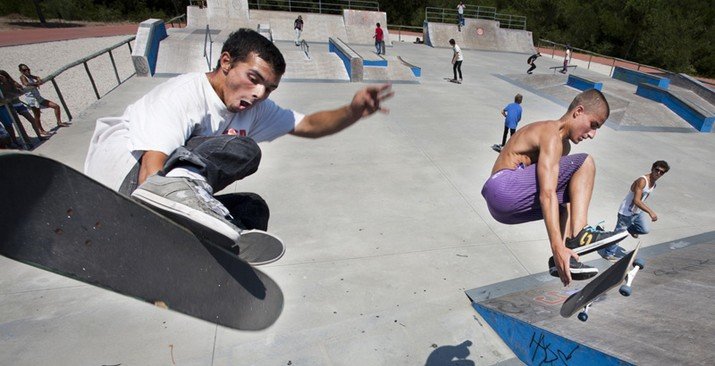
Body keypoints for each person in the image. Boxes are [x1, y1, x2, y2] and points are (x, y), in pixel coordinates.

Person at [84, 29, 393, 254]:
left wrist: (352, 111)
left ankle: (204, 258)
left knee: (253, 211)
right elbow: (149, 177)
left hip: (161, 194)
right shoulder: (183, 95)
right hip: (122, 189)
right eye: (254, 79)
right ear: (227, 62)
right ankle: (168, 233)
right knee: (242, 148)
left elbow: (308, 124)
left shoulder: (254, 109)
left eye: (269, 88)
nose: (259, 94)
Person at [481, 89, 628, 286]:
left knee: (567, 197)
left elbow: (553, 196)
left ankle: (568, 249)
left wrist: (560, 249)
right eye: (593, 125)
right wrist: (555, 245)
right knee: (585, 163)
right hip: (503, 186)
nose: (592, 134)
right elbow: (547, 194)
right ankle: (581, 233)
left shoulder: (563, 146)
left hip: (503, 209)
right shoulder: (551, 132)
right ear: (578, 111)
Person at [599, 161, 670, 261]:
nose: (658, 173)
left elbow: (644, 198)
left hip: (637, 212)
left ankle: (628, 230)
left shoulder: (654, 184)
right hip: (626, 213)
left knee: (644, 229)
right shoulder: (642, 180)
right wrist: (650, 212)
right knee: (619, 235)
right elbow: (636, 200)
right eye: (657, 170)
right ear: (652, 169)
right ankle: (608, 253)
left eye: (661, 172)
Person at [0, 70, 50, 140]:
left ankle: (39, 136)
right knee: (18, 125)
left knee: (32, 120)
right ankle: (26, 140)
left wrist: (9, 83)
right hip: (10, 106)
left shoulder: (10, 82)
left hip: (18, 104)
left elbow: (20, 87)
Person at [18, 64, 69, 129]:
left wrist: (38, 79)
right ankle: (41, 130)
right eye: (24, 70)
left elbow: (36, 77)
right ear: (21, 71)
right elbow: (26, 83)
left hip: (38, 97)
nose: (27, 71)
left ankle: (59, 122)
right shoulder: (22, 77)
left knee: (56, 106)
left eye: (28, 69)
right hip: (32, 99)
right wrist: (36, 83)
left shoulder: (29, 76)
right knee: (37, 116)